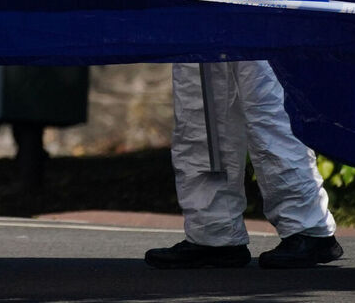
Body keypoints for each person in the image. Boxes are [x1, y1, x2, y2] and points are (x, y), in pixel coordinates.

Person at [144, 60, 343, 269]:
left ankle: (308, 229)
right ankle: (214, 232)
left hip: (258, 27)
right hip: (198, 27)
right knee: (201, 116)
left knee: (268, 107)